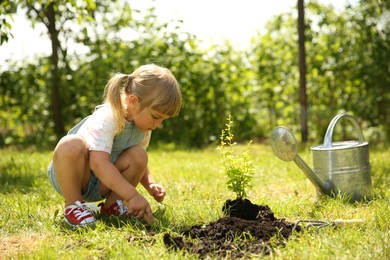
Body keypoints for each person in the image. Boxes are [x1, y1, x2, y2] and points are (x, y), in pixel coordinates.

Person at [47, 64, 182, 227]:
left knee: (139, 155)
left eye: (163, 119)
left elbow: (139, 164)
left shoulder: (144, 127)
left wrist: (150, 184)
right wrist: (132, 196)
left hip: (102, 182)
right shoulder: (108, 117)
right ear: (133, 101)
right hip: (74, 176)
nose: (159, 124)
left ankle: (113, 206)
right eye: (156, 116)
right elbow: (98, 163)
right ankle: (73, 205)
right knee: (70, 144)